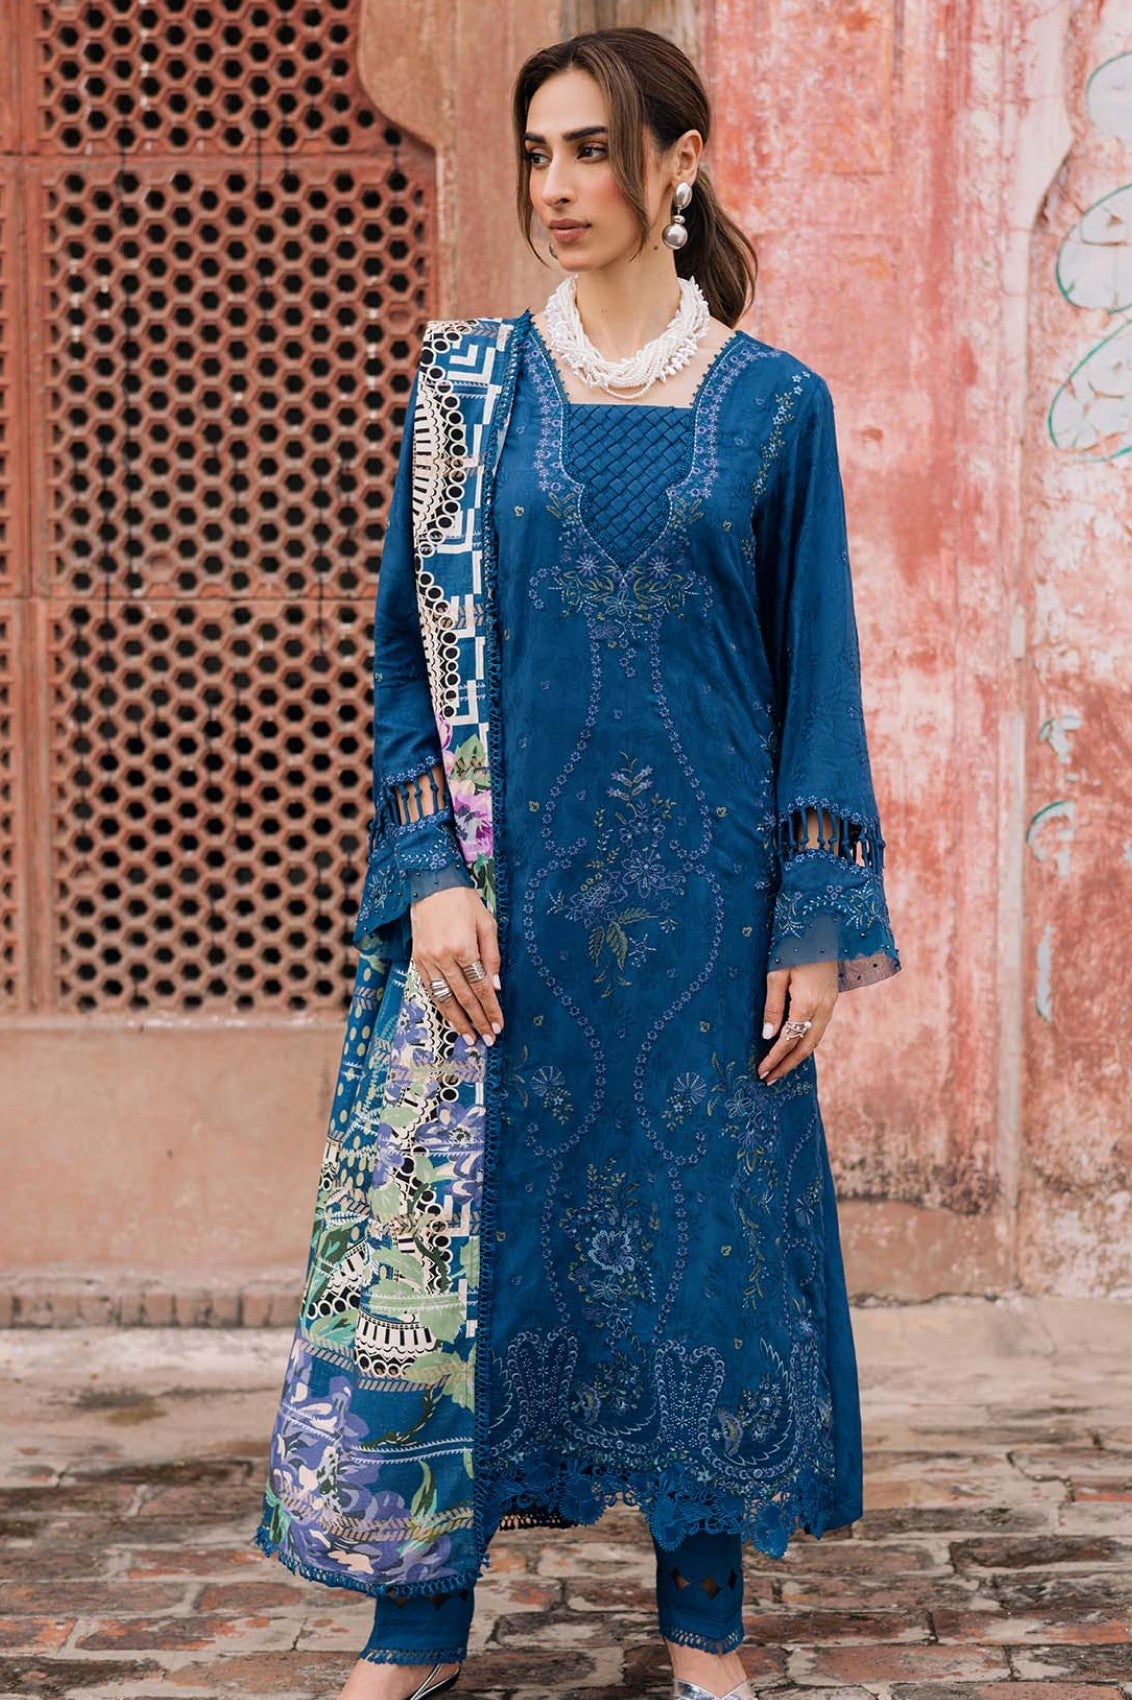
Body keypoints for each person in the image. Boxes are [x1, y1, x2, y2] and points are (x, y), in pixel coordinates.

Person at [254, 25, 902, 1700]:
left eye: (594, 149)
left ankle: (703, 1624)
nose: (558, 186)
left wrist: (815, 920)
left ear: (678, 162)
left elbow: (818, 679)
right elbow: (406, 660)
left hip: (705, 924)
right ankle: (416, 1627)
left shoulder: (777, 407)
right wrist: (430, 873)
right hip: (501, 916)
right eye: (538, 152)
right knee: (464, 1247)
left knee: (707, 1250)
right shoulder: (466, 394)